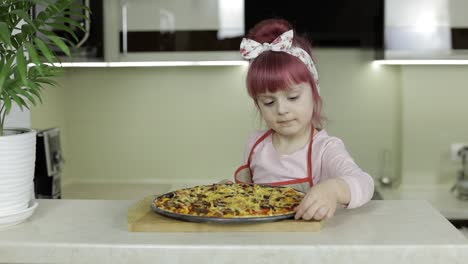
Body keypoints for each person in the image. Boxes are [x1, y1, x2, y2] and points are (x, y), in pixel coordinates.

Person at [233, 18, 375, 221]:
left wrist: (333, 189)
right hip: (264, 242)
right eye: (268, 102)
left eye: (293, 97)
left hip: (310, 247)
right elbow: (248, 198)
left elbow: (364, 183)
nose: (282, 110)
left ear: (314, 93)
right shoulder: (255, 145)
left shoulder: (325, 148)